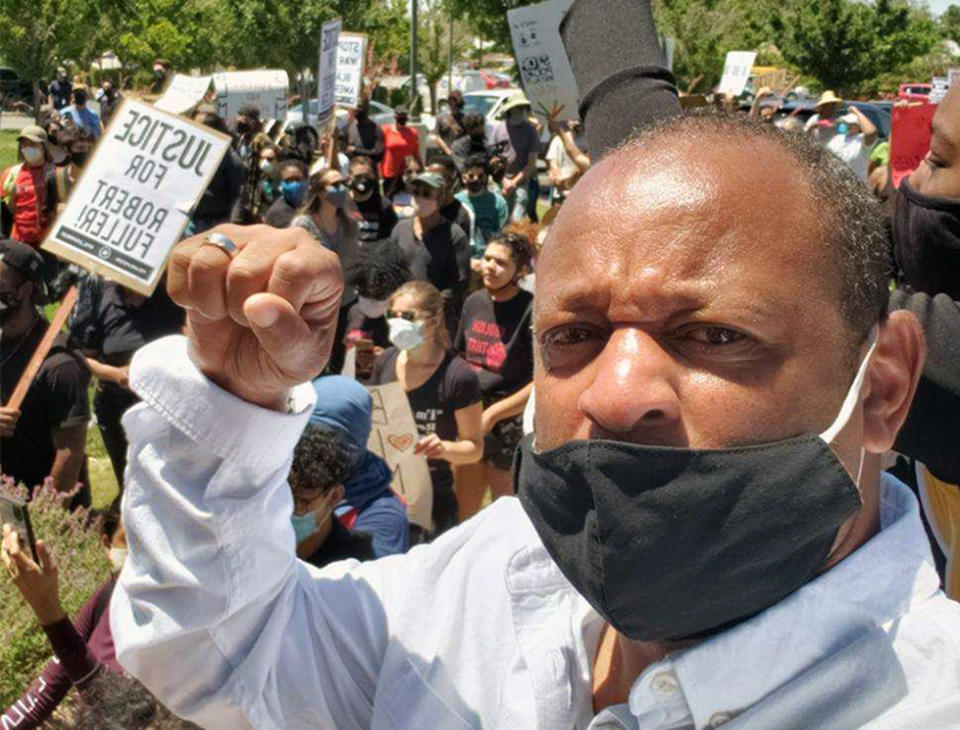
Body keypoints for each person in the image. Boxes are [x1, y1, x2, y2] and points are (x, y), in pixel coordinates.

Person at [109, 2, 960, 727]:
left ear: (883, 387)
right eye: (573, 336)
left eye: (714, 336)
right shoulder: (495, 572)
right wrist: (235, 396)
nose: (619, 393)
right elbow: (225, 653)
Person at [369, 281, 483, 535]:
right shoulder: (385, 361)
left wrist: (443, 448)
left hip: (432, 498)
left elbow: (474, 448)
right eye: (392, 315)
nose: (398, 323)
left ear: (432, 321)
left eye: (408, 317)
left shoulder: (458, 376)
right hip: (384, 490)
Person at [1, 509, 127, 728]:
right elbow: (48, 687)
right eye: (128, 540)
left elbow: (118, 708)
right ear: (107, 545)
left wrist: (48, 609)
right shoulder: (107, 595)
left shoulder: (184, 622)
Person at [69, 278, 185, 499]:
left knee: (172, 489)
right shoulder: (97, 293)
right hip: (117, 410)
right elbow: (82, 357)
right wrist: (117, 375)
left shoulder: (173, 293)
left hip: (169, 410)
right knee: (131, 487)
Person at [0, 240, 90, 506]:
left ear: (26, 289)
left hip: (37, 513)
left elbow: (69, 455)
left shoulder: (60, 365)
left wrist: (42, 519)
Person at [453, 232, 534, 519]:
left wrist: (495, 414)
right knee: (465, 499)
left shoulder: (531, 310)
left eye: (500, 263)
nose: (489, 267)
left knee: (504, 506)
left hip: (508, 418)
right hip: (470, 408)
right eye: (487, 258)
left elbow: (539, 382)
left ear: (520, 271)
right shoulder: (473, 301)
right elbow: (460, 356)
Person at [303, 375, 410, 559]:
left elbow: (366, 581)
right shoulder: (285, 479)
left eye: (334, 443)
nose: (319, 453)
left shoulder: (382, 513)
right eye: (310, 438)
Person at [293, 168, 361, 373]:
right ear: (321, 192)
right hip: (315, 303)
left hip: (345, 302)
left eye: (344, 184)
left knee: (339, 355)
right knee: (313, 359)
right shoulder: (303, 225)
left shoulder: (350, 224)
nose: (342, 190)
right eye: (336, 185)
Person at [388, 171, 467, 327]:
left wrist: (428, 308)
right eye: (416, 192)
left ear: (439, 199)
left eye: (426, 194)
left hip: (436, 320)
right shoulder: (400, 229)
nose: (419, 198)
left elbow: (459, 282)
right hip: (402, 316)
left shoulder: (455, 235)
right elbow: (391, 271)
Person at [343, 240, 411, 381]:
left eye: (380, 295)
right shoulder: (354, 312)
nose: (372, 302)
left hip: (390, 391)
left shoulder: (403, 320)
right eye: (366, 293)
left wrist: (386, 357)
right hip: (355, 385)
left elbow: (415, 360)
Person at [1, 126, 56, 249]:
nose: (27, 148)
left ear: (44, 147)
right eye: (24, 144)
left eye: (33, 144)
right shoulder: (11, 174)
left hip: (46, 244)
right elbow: (4, 211)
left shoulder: (55, 174)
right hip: (18, 242)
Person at [191, 110, 245, 232]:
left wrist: (233, 226)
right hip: (189, 220)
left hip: (214, 223)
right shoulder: (190, 153)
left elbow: (238, 194)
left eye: (199, 127)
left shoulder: (230, 159)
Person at [490, 92, 540, 222]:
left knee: (519, 212)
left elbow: (531, 163)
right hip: (501, 181)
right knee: (500, 217)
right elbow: (492, 160)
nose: (521, 111)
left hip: (522, 180)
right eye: (518, 108)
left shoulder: (531, 131)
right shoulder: (498, 129)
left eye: (523, 108)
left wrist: (514, 182)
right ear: (510, 110)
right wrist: (504, 181)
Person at [427, 155, 473, 289]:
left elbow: (459, 266)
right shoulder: (423, 206)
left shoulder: (461, 216)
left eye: (439, 179)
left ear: (452, 182)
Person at [454, 154, 508, 260]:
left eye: (480, 176)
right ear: (463, 177)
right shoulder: (455, 202)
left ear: (486, 177)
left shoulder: (498, 203)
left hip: (487, 258)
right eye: (471, 176)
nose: (476, 179)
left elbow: (500, 235)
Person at [347, 155, 398, 243]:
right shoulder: (342, 204)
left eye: (367, 176)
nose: (363, 180)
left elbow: (391, 239)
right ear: (349, 179)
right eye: (358, 176)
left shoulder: (384, 206)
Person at [233, 104, 268, 223]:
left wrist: (257, 203)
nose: (240, 123)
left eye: (243, 120)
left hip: (255, 194)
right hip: (242, 191)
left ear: (252, 121)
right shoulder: (242, 139)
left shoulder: (261, 140)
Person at [825, 108, 878, 183]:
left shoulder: (861, 140)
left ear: (858, 126)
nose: (846, 124)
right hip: (834, 183)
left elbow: (871, 132)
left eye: (850, 123)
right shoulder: (837, 138)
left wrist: (856, 112)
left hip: (856, 185)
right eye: (845, 122)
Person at [546, 119, 589, 205]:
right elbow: (553, 165)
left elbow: (583, 166)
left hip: (582, 194)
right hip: (561, 195)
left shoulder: (588, 141)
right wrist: (554, 175)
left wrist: (567, 180)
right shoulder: (557, 141)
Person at [380, 106, 421, 197]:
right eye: (401, 116)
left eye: (405, 116)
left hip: (405, 173)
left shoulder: (412, 132)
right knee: (389, 198)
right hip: (389, 172)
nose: (403, 119)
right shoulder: (385, 130)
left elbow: (416, 153)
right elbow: (380, 150)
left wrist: (421, 168)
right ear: (395, 117)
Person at [264, 159, 308, 229]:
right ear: (280, 185)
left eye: (298, 179)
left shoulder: (300, 206)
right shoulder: (279, 213)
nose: (295, 184)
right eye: (289, 180)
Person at [345, 99, 386, 167]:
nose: (357, 110)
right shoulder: (350, 127)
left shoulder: (375, 129)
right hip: (353, 169)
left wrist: (356, 150)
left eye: (360, 108)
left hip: (369, 169)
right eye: (356, 108)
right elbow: (346, 149)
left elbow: (378, 152)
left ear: (367, 110)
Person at [431, 90, 466, 158]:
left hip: (460, 154)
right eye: (451, 101)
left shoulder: (464, 118)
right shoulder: (441, 117)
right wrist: (447, 150)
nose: (453, 104)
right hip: (445, 153)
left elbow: (467, 137)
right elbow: (437, 136)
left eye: (455, 101)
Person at [256, 144, 282, 218]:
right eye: (262, 158)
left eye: (269, 159)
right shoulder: (261, 179)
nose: (264, 162)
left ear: (278, 161)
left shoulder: (284, 182)